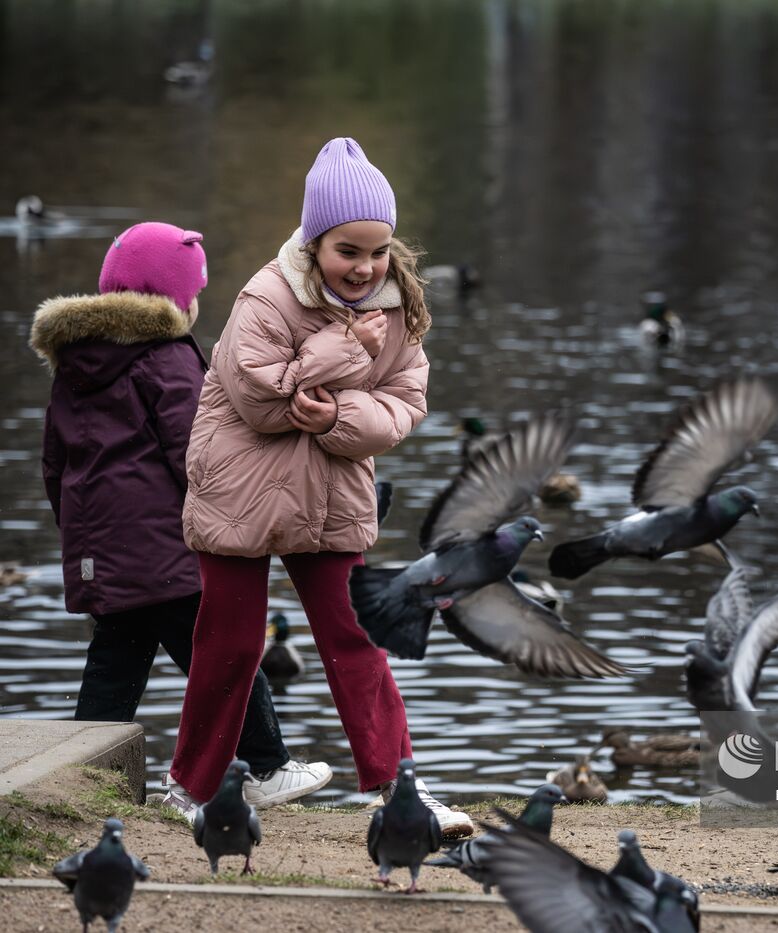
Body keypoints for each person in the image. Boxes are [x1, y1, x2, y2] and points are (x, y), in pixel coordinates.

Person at [167, 138, 472, 837]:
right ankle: (192, 783)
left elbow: (404, 404)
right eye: (348, 250)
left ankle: (401, 789)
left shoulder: (398, 309)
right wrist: (343, 353)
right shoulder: (266, 295)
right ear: (313, 241)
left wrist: (338, 415)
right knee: (231, 641)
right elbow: (258, 401)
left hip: (329, 491)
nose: (365, 267)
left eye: (378, 250)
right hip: (239, 490)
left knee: (357, 635)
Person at [31, 222, 332, 820]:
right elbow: (197, 453)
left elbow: (53, 465)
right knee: (223, 651)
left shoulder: (75, 366)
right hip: (170, 547)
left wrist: (82, 539)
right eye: (194, 293)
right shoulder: (167, 359)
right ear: (175, 301)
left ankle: (83, 777)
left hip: (105, 552)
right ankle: (267, 766)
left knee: (117, 657)